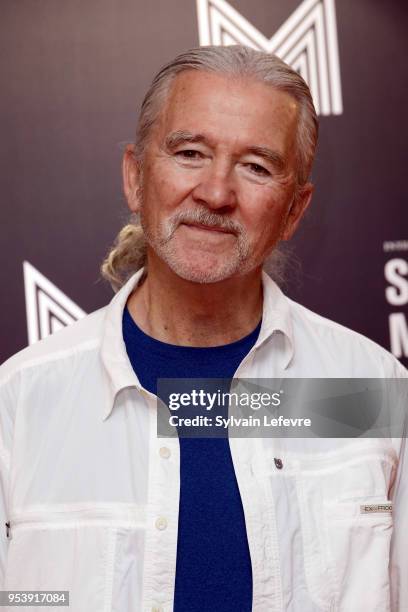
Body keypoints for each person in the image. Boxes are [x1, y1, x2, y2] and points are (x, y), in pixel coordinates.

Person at [0, 45, 406, 612]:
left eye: (256, 167)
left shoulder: (371, 389)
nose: (216, 193)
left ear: (294, 210)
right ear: (136, 178)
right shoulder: (20, 401)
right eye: (190, 152)